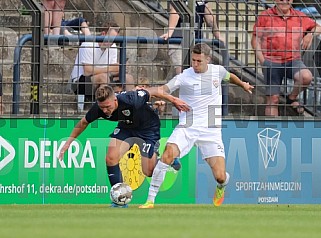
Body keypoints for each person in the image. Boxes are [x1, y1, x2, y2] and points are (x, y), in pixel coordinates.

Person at [139, 43, 254, 209]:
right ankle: (150, 200)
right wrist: (147, 91)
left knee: (220, 176)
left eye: (199, 61)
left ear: (208, 59)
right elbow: (164, 89)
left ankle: (222, 186)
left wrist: (242, 84)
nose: (195, 64)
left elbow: (229, 76)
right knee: (167, 155)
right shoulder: (185, 76)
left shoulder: (218, 71)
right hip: (188, 126)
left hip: (211, 130)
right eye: (193, 60)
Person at [58, 84, 189, 207]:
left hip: (148, 129)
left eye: (108, 107)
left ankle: (166, 159)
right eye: (102, 107)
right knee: (111, 157)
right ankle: (119, 198)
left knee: (148, 172)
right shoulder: (99, 108)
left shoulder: (131, 99)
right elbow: (83, 122)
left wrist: (174, 100)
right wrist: (69, 142)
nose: (105, 111)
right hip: (126, 128)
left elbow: (154, 91)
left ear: (115, 100)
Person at [251, 0, 321, 116]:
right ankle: (274, 130)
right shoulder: (265, 16)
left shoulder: (299, 16)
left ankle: (291, 98)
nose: (284, 1)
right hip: (271, 61)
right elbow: (255, 40)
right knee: (273, 100)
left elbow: (318, 27)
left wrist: (310, 34)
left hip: (293, 61)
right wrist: (263, 62)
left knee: (306, 77)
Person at [70, 21, 135, 108]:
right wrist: (111, 69)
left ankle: (130, 108)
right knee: (103, 77)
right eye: (112, 38)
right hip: (80, 82)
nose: (113, 42)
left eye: (115, 39)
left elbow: (112, 71)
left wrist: (121, 69)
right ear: (103, 34)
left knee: (128, 78)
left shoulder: (113, 47)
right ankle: (103, 108)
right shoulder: (88, 44)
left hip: (104, 80)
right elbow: (87, 71)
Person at [161, 1, 224, 74]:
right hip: (178, 40)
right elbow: (175, 11)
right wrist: (170, 32)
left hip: (196, 40)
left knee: (198, 68)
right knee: (182, 70)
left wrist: (218, 35)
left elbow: (210, 19)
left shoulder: (203, 2)